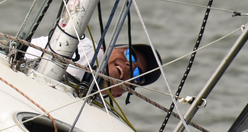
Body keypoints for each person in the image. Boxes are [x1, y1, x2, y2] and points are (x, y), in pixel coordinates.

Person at [24, 34, 160, 98]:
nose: (130, 65)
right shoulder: (82, 45)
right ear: (107, 48)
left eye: (137, 74)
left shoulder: (99, 117)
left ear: (118, 95)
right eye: (130, 55)